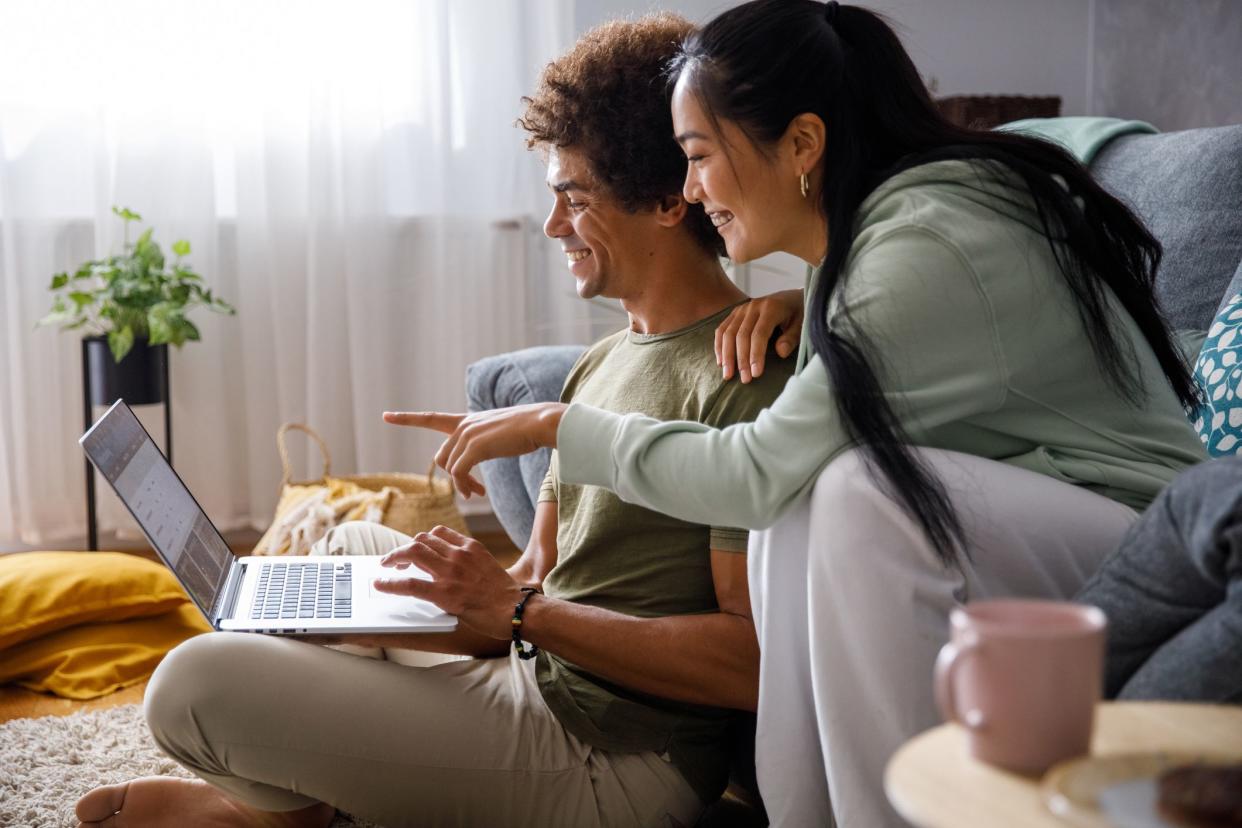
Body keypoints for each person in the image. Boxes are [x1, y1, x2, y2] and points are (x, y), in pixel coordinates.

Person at [387, 2, 1208, 825]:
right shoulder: (880, 241)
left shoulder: (924, 248)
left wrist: (560, 427)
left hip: (1146, 555)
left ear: (804, 145)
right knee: (809, 499)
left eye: (700, 155)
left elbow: (751, 472)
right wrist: (811, 301)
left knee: (855, 493)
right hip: (1050, 520)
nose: (690, 187)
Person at [73, 15, 793, 828]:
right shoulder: (604, 360)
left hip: (612, 758)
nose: (554, 226)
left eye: (573, 197)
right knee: (344, 549)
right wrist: (466, 596)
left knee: (189, 686)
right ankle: (317, 789)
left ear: (670, 200)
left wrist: (517, 616)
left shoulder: (744, 368)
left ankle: (277, 816)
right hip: (534, 670)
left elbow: (751, 662)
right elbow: (539, 572)